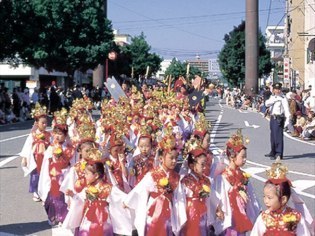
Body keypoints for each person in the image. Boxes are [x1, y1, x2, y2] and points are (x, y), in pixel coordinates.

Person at [123, 131, 185, 236]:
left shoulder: (176, 177)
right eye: (171, 158)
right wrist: (128, 201)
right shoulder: (153, 174)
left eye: (176, 158)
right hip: (153, 210)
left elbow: (179, 198)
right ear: (161, 159)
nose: (174, 161)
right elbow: (140, 188)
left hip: (168, 212)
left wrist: (180, 215)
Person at [210, 130, 261, 235]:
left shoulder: (243, 176)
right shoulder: (223, 177)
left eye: (245, 156)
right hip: (231, 217)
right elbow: (219, 198)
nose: (245, 159)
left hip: (242, 214)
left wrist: (257, 209)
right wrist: (219, 210)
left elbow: (252, 195)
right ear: (232, 157)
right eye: (242, 157)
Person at [251, 160, 312, 235]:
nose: (266, 201)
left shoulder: (295, 217)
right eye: (264, 197)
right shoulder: (264, 217)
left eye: (269, 198)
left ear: (283, 199)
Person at [20, 103, 51, 202]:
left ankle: (44, 192)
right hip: (35, 157)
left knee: (45, 174)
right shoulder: (33, 134)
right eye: (43, 123)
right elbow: (27, 146)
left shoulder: (48, 134)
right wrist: (24, 158)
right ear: (37, 123)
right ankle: (36, 192)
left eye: (46, 123)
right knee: (35, 175)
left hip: (45, 157)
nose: (45, 125)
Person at [180, 148, 211, 235]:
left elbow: (211, 198)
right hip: (190, 213)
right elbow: (180, 201)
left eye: (206, 164)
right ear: (191, 166)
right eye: (202, 164)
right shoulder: (185, 181)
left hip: (202, 212)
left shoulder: (206, 180)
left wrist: (217, 209)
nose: (205, 167)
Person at [265, 83, 290, 160]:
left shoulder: (283, 98)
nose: (278, 90)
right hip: (272, 118)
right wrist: (275, 99)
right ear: (273, 90)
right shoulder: (273, 97)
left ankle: (279, 153)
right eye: (276, 89)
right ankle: (273, 152)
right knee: (272, 136)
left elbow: (287, 110)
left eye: (279, 89)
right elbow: (266, 103)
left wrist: (287, 121)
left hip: (279, 118)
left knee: (278, 136)